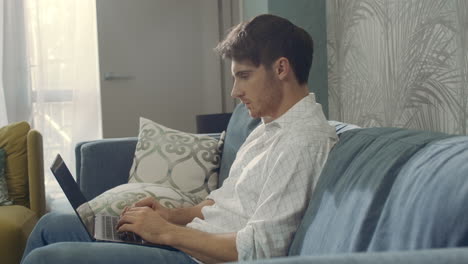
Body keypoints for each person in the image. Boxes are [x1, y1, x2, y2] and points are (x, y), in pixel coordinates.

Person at [21, 14, 338, 264]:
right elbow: (221, 203)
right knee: (50, 225)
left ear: (281, 68)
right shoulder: (268, 129)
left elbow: (260, 250)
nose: (235, 92)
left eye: (244, 76)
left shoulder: (302, 142)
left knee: (45, 258)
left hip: (196, 256)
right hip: (188, 240)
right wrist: (171, 215)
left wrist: (168, 233)